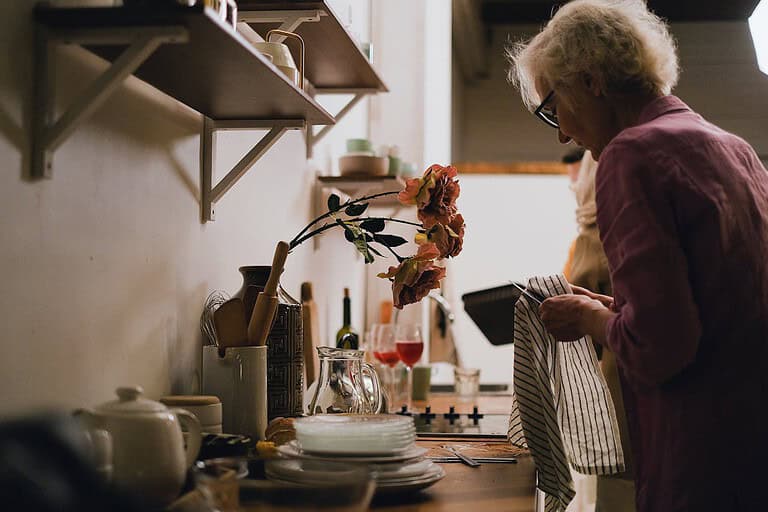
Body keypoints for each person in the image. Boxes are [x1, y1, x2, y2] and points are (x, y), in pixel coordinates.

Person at [507, 1, 768, 511]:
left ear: (591, 81)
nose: (561, 132)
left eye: (552, 108)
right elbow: (719, 302)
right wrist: (611, 307)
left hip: (701, 457)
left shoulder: (631, 156)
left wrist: (587, 317)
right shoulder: (733, 148)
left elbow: (661, 346)